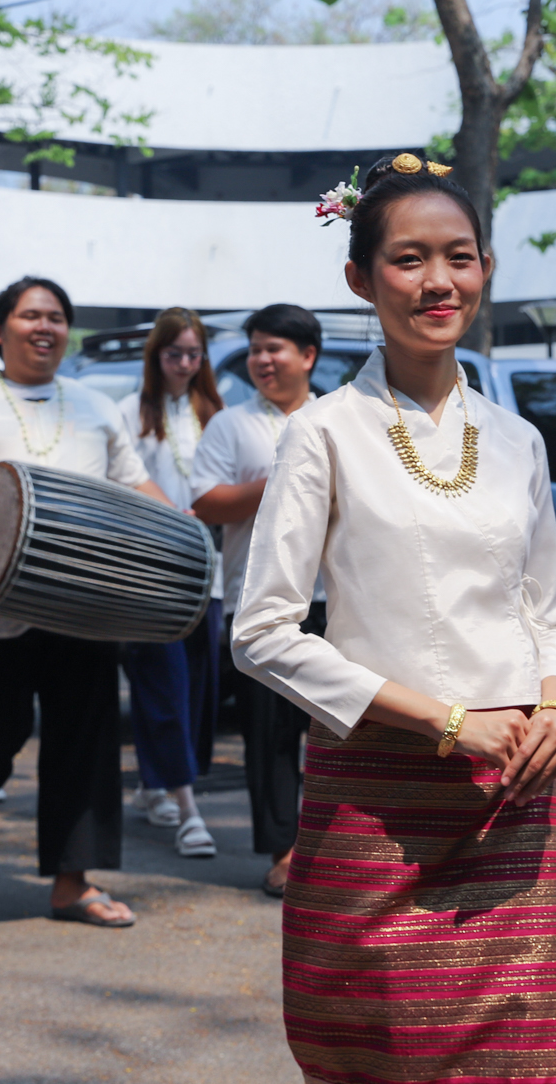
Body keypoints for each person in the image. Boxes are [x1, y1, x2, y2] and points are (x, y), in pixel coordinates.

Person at [234, 154, 556, 1082]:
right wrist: (447, 720)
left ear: (485, 268)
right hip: (379, 794)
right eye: (408, 259)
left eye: (460, 256)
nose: (438, 281)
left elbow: (545, 610)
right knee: (388, 1050)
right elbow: (263, 633)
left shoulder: (518, 439)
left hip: (515, 792)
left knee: (540, 1058)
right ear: (360, 278)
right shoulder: (322, 432)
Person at [0, 275, 171, 925]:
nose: (45, 326)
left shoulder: (95, 406)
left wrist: (177, 531)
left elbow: (136, 484)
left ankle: (72, 882)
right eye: (30, 315)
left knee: (83, 744)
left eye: (56, 317)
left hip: (82, 606)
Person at [191, 304, 326, 898]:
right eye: (255, 350)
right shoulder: (231, 424)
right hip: (260, 601)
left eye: (275, 349)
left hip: (336, 598)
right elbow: (207, 502)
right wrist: (284, 480)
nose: (262, 360)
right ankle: (284, 851)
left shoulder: (340, 417)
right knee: (269, 734)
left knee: (337, 728)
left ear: (308, 356)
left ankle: (336, 846)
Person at [115, 307, 224, 859]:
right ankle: (187, 808)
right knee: (164, 684)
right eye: (174, 353)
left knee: (198, 689)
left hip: (208, 570)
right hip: (150, 572)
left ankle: (154, 782)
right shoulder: (129, 412)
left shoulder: (215, 412)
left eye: (192, 354)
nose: (183, 364)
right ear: (156, 355)